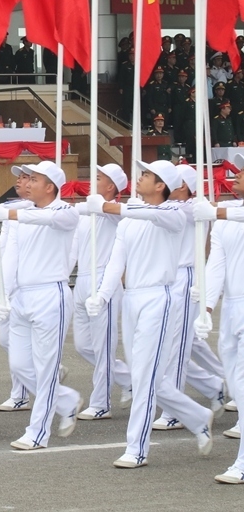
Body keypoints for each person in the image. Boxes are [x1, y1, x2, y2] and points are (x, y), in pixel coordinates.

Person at [82, 160, 213, 468]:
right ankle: (196, 416)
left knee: (144, 376)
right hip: (131, 299)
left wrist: (109, 208)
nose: (139, 179)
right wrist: (101, 295)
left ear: (161, 186)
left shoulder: (173, 214)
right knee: (146, 374)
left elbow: (155, 214)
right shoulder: (129, 221)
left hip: (159, 297)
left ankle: (136, 448)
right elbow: (117, 262)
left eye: (146, 176)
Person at [0, 161, 82, 450]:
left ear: (49, 186)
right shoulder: (23, 213)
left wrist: (10, 213)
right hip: (23, 296)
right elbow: (10, 252)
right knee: (19, 364)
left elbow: (49, 219)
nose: (26, 183)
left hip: (51, 295)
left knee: (45, 368)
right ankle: (65, 400)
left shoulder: (65, 211)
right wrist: (3, 288)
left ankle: (38, 432)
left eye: (33, 179)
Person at [154, 166, 227, 431]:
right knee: (186, 342)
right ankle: (216, 383)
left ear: (183, 186)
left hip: (186, 278)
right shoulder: (174, 207)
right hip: (168, 277)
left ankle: (175, 410)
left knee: (177, 347)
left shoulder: (192, 208)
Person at [68, 164, 133, 421]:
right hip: (82, 280)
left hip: (104, 281)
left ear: (111, 187)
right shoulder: (86, 212)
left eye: (99, 178)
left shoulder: (115, 214)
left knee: (103, 346)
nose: (93, 181)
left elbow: (116, 212)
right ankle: (128, 379)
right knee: (83, 345)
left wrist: (99, 206)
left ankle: (101, 403)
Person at [193, 161, 244, 481]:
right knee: (236, 382)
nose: (237, 176)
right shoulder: (225, 216)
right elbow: (216, 264)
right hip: (234, 308)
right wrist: (207, 308)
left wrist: (216, 213)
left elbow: (227, 213)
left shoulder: (224, 213)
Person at [0, 167, 35, 414]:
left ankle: (20, 394)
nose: (20, 181)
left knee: (18, 343)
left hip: (25, 284)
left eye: (27, 178)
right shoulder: (12, 209)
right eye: (20, 177)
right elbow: (1, 247)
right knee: (7, 340)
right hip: (7, 285)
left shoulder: (31, 210)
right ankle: (37, 374)